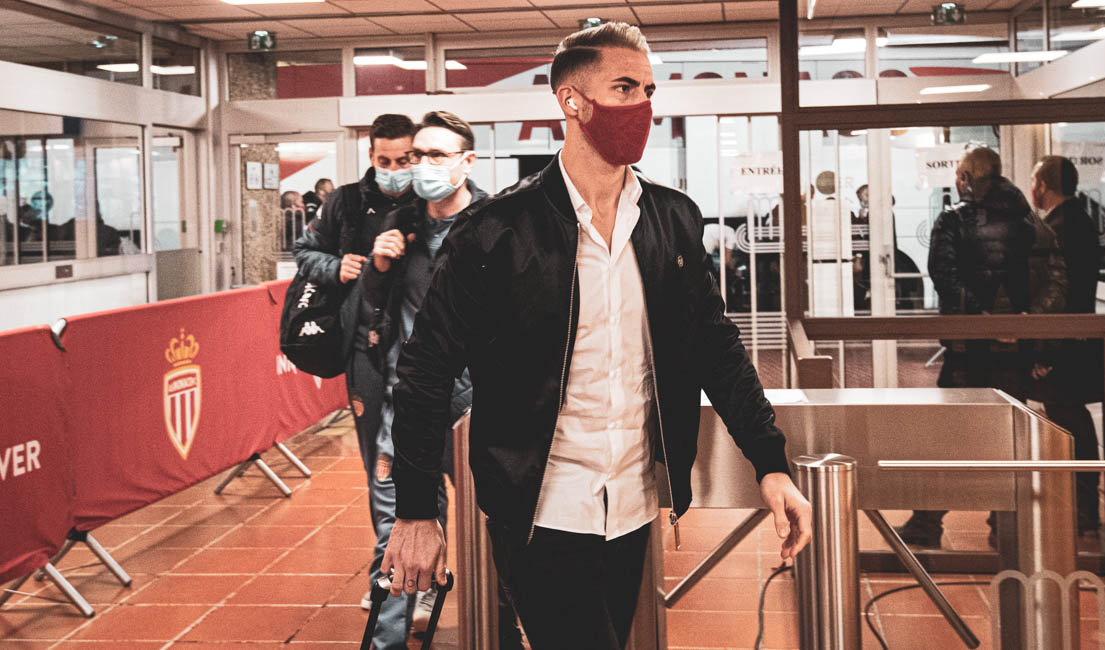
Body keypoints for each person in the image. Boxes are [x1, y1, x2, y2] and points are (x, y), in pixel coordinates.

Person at [379, 22, 812, 650]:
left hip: (633, 504)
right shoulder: (496, 231)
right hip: (540, 508)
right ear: (572, 101)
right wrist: (417, 510)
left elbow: (715, 348)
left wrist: (770, 463)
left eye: (648, 90)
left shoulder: (672, 219)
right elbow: (425, 370)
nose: (642, 106)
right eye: (624, 88)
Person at [357, 111, 524, 648]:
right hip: (408, 400)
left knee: (494, 530)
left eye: (436, 155)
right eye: (417, 155)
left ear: (466, 161)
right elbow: (372, 305)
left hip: (480, 403)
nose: (422, 165)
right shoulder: (400, 222)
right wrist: (379, 268)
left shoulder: (500, 222)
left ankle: (500, 633)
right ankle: (387, 639)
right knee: (397, 528)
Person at [292, 113, 418, 648]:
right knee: (381, 473)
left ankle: (421, 572)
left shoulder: (431, 202)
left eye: (404, 159)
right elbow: (304, 253)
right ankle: (390, 573)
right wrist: (336, 267)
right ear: (371, 156)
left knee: (433, 468)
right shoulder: (344, 203)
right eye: (385, 160)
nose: (395, 169)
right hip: (366, 350)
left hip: (426, 352)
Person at [898, 145, 1036, 548]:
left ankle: (927, 523)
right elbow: (1044, 274)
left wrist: (982, 320)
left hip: (967, 350)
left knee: (948, 435)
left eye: (959, 175)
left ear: (966, 179)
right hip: (1016, 347)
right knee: (1011, 437)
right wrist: (1021, 323)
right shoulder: (1027, 220)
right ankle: (1005, 526)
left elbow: (943, 275)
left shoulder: (954, 220)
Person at [1028, 155, 1103, 533]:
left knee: (1068, 421)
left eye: (1034, 181)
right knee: (1071, 420)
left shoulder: (1057, 228)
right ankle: (1081, 506)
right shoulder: (1081, 220)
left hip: (1065, 344)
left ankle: (1082, 508)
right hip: (1076, 340)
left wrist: (1045, 351)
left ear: (1043, 186)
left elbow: (1058, 294)